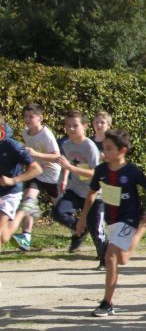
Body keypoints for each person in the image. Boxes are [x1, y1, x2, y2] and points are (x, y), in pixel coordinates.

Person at [75, 130, 146, 316]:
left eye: (109, 149)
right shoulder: (101, 170)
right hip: (111, 219)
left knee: (110, 255)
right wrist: (82, 218)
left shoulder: (132, 170)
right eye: (104, 148)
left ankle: (107, 303)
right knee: (123, 259)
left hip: (129, 218)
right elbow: (92, 194)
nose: (105, 152)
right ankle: (144, 228)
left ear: (122, 151)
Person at [53, 111, 106, 267]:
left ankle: (105, 258)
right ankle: (80, 229)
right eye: (68, 126)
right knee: (58, 212)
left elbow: (95, 173)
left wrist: (70, 168)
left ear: (84, 127)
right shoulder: (67, 145)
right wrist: (64, 179)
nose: (71, 129)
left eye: (75, 125)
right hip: (75, 190)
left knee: (96, 230)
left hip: (94, 193)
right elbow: (68, 164)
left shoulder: (89, 146)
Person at [11, 103, 62, 251]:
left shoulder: (46, 134)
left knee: (60, 209)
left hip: (52, 174)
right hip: (37, 172)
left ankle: (77, 229)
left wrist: (36, 154)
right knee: (29, 199)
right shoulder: (25, 132)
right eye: (25, 116)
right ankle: (26, 237)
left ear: (40, 117)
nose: (27, 119)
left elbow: (57, 156)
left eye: (31, 116)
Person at [0, 116, 43, 248]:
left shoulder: (12, 145)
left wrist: (13, 180)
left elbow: (37, 169)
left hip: (10, 193)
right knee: (4, 237)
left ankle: (24, 207)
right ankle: (25, 209)